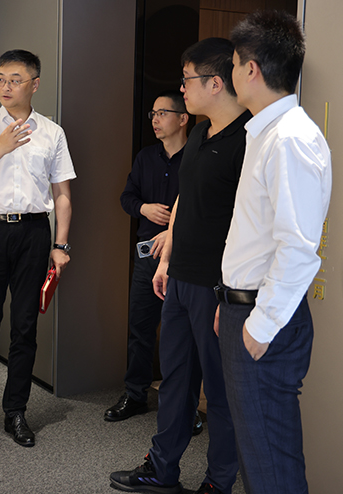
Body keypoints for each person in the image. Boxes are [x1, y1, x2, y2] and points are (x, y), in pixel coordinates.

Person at [110, 38, 250, 494]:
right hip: (180, 280)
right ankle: (161, 468)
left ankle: (218, 482)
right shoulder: (200, 136)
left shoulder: (248, 139)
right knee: (174, 380)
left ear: (215, 82)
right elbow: (183, 204)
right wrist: (166, 259)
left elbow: (250, 225)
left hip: (217, 287)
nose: (183, 89)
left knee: (221, 391)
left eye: (188, 80)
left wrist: (230, 294)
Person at [215, 10, 332, 494]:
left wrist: (260, 323)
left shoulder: (289, 139)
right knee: (258, 456)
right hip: (245, 308)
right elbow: (257, 236)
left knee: (271, 466)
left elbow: (298, 247)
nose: (231, 73)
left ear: (251, 69)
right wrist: (229, 298)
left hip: (264, 319)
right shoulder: (266, 133)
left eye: (233, 64)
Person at [0, 49, 75, 448]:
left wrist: (60, 244)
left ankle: (16, 411)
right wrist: (1, 146)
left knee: (25, 326)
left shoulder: (52, 132)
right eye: (0, 79)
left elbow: (62, 195)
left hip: (34, 232)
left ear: (34, 84)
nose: (5, 86)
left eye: (15, 80)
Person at [106, 91, 198, 432]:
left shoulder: (197, 156)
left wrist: (174, 228)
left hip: (184, 256)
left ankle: (185, 406)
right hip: (147, 255)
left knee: (183, 335)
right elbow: (126, 197)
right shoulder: (146, 157)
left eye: (163, 113)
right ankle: (135, 394)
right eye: (153, 114)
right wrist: (144, 208)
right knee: (140, 327)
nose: (155, 120)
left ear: (183, 118)